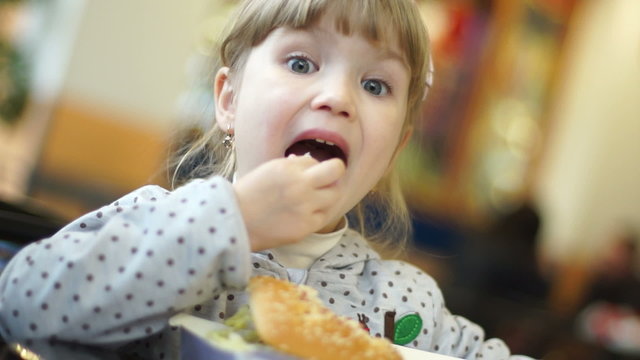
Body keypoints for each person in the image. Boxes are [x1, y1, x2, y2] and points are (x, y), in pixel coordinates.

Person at [0, 0, 533, 359]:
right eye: (301, 64)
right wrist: (233, 219)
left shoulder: (406, 303)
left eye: (375, 84)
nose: (338, 98)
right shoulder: (158, 223)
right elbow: (23, 302)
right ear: (229, 100)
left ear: (395, 147)